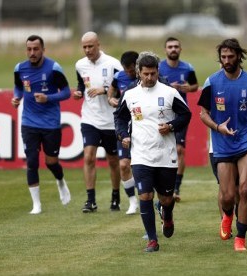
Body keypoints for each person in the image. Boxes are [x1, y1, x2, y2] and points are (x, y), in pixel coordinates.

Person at [198, 38, 247, 251]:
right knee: (228, 196)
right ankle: (228, 214)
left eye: (231, 56)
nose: (227, 60)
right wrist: (218, 127)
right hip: (222, 144)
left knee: (245, 189)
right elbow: (203, 114)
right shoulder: (212, 82)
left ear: (239, 56)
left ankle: (241, 236)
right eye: (223, 57)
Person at [115, 51, 191, 252]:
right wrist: (123, 135)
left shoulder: (169, 93)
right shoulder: (130, 95)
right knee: (145, 195)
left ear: (158, 72)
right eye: (146, 74)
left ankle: (167, 215)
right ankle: (152, 240)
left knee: (166, 199)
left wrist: (172, 126)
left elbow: (186, 115)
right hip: (140, 155)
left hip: (166, 155)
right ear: (139, 72)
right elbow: (120, 118)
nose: (149, 78)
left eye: (153, 74)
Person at [12, 35, 71, 214]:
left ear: (43, 50)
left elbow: (67, 92)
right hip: (28, 122)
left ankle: (60, 182)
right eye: (29, 49)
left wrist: (48, 98)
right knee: (31, 162)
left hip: (50, 123)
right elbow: (18, 87)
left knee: (51, 162)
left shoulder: (54, 68)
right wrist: (17, 97)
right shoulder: (19, 68)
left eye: (36, 49)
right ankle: (36, 204)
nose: (32, 53)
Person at [72, 31, 123, 213]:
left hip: (110, 120)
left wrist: (106, 89)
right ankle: (90, 200)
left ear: (98, 44)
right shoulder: (80, 65)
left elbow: (124, 89)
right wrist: (78, 93)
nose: (87, 50)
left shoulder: (113, 64)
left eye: (90, 46)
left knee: (113, 161)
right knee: (88, 157)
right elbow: (81, 85)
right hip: (90, 118)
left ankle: (115, 197)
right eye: (84, 47)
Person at [159, 37, 199, 202]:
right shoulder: (159, 67)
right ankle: (161, 185)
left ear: (180, 49)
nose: (173, 49)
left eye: (176, 46)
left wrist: (187, 88)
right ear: (165, 50)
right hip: (162, 114)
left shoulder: (188, 68)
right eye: (170, 47)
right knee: (162, 150)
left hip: (180, 114)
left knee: (180, 150)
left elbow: (195, 86)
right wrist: (169, 88)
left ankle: (176, 187)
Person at [107, 51, 140, 215]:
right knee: (123, 164)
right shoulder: (119, 77)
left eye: (132, 70)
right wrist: (110, 98)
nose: (129, 73)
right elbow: (112, 90)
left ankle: (147, 196)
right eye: (126, 70)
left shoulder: (147, 78)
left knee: (143, 167)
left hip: (143, 128)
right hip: (124, 127)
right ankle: (132, 202)